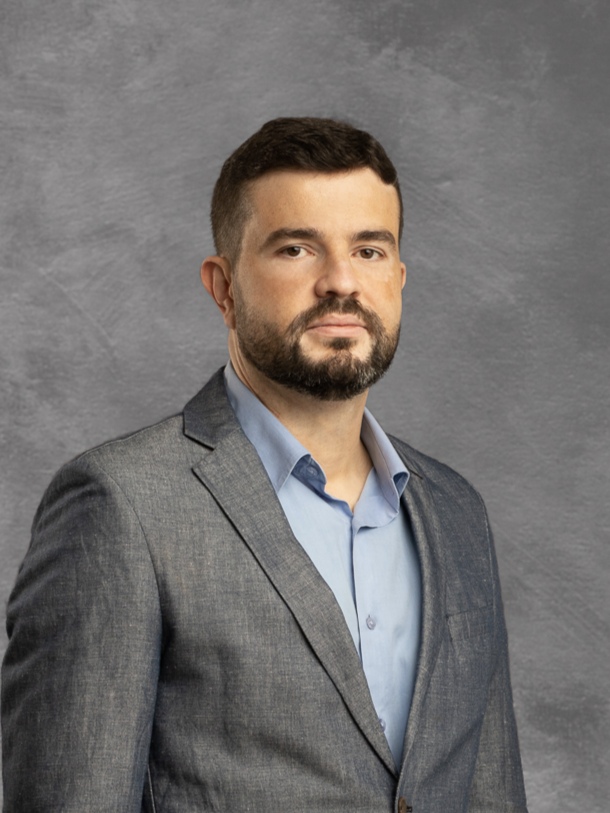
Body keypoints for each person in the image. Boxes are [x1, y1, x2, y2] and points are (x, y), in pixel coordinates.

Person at [1, 117, 528, 812]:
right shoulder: (121, 505)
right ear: (223, 287)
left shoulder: (456, 512)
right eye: (296, 249)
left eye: (369, 250)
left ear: (398, 279)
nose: (341, 282)